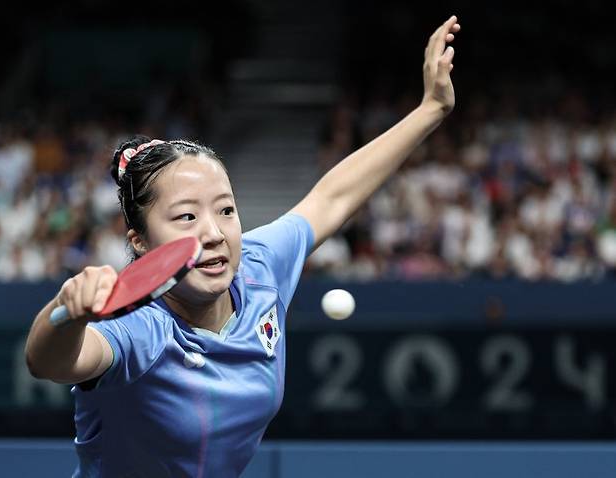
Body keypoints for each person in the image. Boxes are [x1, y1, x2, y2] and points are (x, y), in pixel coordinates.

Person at [24, 15, 461, 478]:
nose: (214, 232)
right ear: (140, 241)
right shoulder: (141, 331)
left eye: (226, 210)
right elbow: (49, 360)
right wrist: (67, 313)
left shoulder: (259, 268)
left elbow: (332, 197)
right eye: (187, 217)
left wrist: (430, 109)